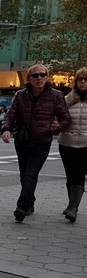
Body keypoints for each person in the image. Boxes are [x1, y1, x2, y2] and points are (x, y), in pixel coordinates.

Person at [1, 63, 71, 222]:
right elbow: (10, 114)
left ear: (47, 77)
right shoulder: (20, 95)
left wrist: (53, 129)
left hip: (42, 141)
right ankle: (30, 202)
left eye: (42, 75)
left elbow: (66, 119)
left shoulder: (56, 95)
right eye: (35, 75)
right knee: (24, 175)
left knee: (31, 174)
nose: (39, 78)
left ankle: (22, 207)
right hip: (22, 139)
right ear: (29, 78)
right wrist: (6, 129)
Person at [57, 67, 87, 222]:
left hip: (85, 145)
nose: (83, 82)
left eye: (85, 79)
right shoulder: (68, 98)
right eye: (80, 79)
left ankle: (74, 207)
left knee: (79, 174)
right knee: (70, 175)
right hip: (66, 143)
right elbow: (58, 116)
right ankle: (71, 204)